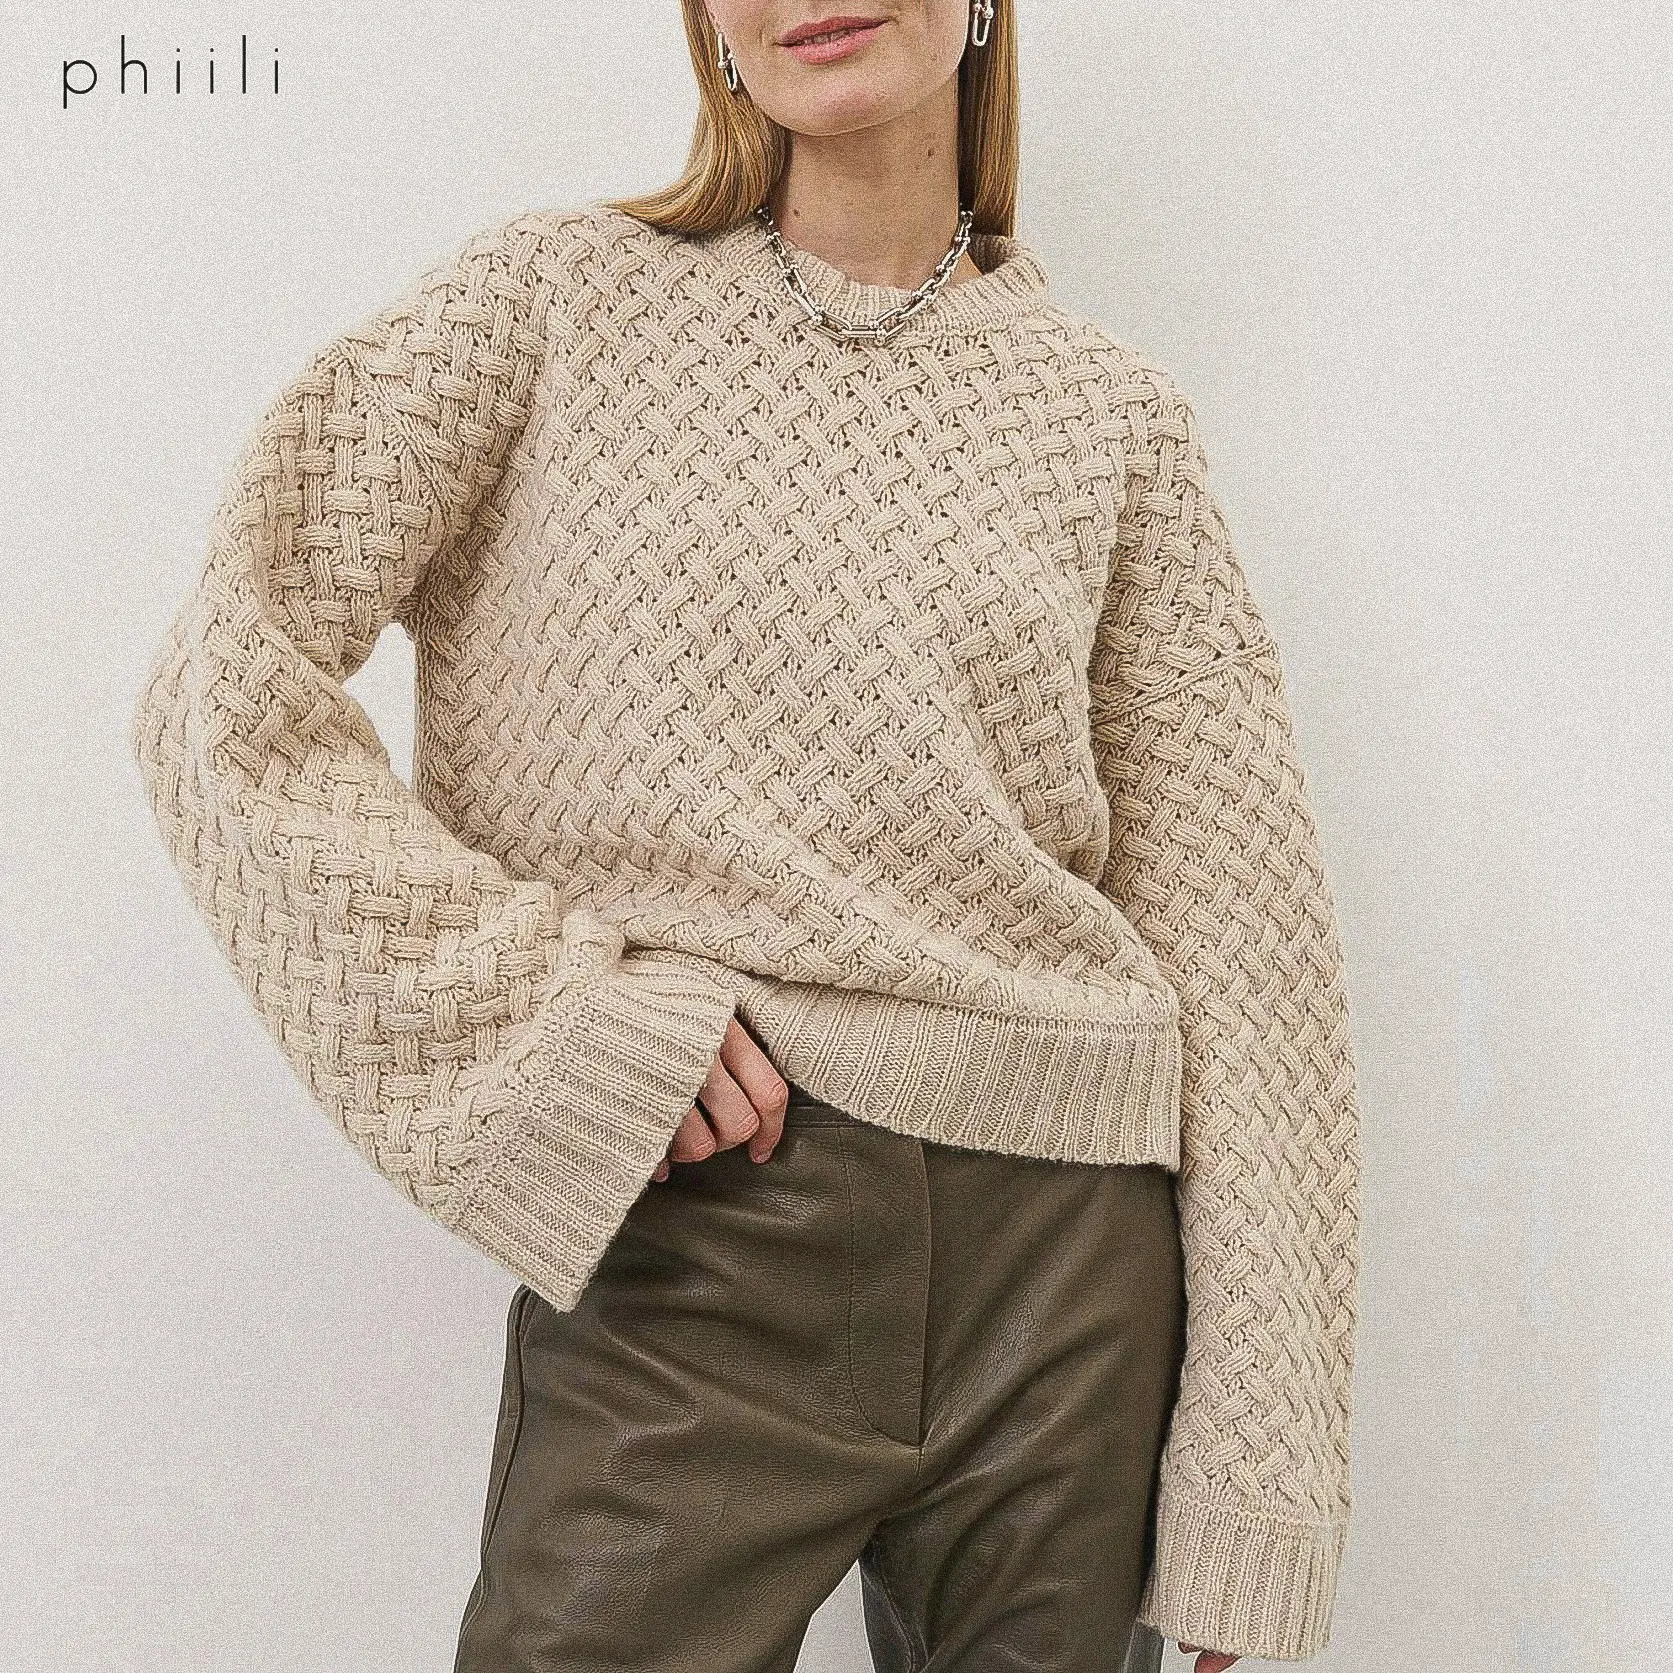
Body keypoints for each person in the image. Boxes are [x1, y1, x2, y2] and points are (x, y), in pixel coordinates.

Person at [128, 2, 1362, 1669]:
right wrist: (551, 1012)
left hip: (1071, 1279)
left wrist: (1258, 1483)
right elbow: (225, 686)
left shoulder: (1108, 415)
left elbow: (1249, 945)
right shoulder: (549, 305)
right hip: (702, 1235)